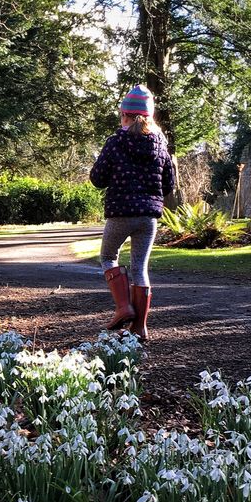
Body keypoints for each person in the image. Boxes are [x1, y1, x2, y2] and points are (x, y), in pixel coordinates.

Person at [88, 84, 175, 341]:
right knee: (140, 267)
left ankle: (123, 307)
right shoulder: (160, 145)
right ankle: (140, 327)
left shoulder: (116, 142)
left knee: (108, 256)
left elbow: (97, 178)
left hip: (120, 213)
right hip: (148, 217)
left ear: (124, 115)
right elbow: (168, 184)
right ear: (150, 117)